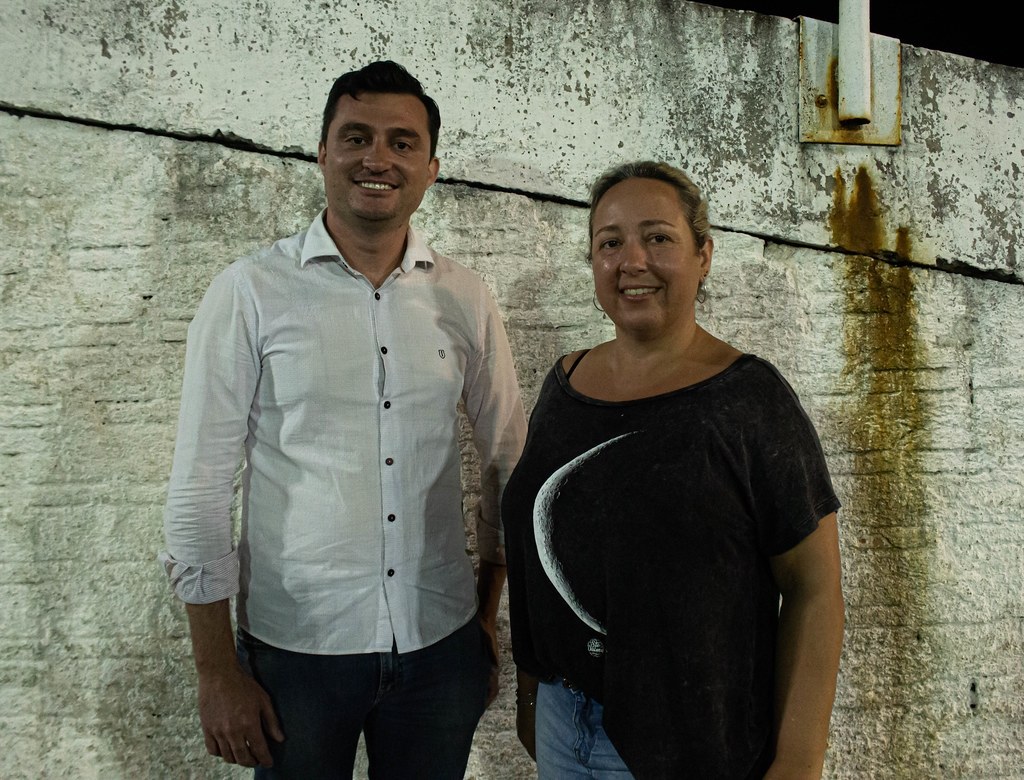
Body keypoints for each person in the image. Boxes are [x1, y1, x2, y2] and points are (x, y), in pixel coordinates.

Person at [159, 60, 526, 779]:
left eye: (401, 142)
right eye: (355, 137)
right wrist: (214, 671)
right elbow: (200, 487)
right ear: (322, 153)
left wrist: (486, 616)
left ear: (431, 167)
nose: (377, 158)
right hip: (295, 654)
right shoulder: (250, 293)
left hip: (439, 645)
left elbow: (508, 461)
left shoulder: (467, 297)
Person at [502, 161, 844, 779]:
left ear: (704, 255)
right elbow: (534, 554)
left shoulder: (749, 400)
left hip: (690, 743)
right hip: (564, 722)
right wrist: (531, 690)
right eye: (610, 243)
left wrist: (799, 758)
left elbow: (814, 590)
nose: (632, 260)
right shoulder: (565, 382)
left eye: (658, 237)